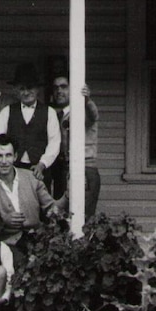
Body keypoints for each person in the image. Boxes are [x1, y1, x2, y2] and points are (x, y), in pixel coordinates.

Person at [0, 62, 60, 182]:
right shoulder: (7, 111)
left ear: (37, 89)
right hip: (13, 170)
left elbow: (54, 143)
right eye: (22, 89)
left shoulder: (49, 112)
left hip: (40, 170)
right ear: (16, 90)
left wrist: (42, 164)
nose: (26, 92)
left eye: (30, 88)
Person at [0, 134, 56, 246]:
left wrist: (67, 196)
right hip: (4, 245)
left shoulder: (31, 178)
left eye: (8, 155)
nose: (4, 161)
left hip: (36, 242)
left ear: (15, 156)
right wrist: (3, 221)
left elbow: (52, 209)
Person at [50, 72, 101, 219]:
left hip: (85, 169)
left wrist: (86, 100)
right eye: (56, 88)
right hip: (62, 170)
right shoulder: (54, 114)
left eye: (64, 87)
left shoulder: (82, 110)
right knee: (61, 219)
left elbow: (92, 116)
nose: (59, 91)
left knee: (82, 218)